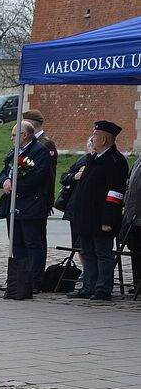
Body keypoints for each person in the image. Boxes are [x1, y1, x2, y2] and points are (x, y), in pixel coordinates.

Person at [66, 120, 129, 301]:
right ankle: (89, 285)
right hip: (86, 216)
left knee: (103, 253)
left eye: (95, 136)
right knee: (87, 252)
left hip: (102, 217)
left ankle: (102, 288)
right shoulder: (94, 158)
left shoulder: (115, 161)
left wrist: (108, 220)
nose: (91, 139)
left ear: (103, 140)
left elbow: (115, 193)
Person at [0, 120, 51, 295]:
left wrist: (15, 186)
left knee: (32, 243)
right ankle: (18, 279)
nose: (11, 138)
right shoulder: (14, 151)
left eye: (14, 135)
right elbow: (3, 171)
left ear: (24, 135)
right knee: (16, 243)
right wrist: (4, 181)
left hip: (30, 204)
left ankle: (33, 280)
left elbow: (38, 176)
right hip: (13, 204)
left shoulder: (39, 151)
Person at [23, 109, 59, 281]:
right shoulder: (25, 143)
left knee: (36, 240)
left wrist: (48, 200)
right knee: (25, 240)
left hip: (39, 198)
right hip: (25, 199)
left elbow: (49, 175)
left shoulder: (46, 144)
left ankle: (36, 277)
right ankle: (24, 275)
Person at [120, 157, 141, 295]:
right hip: (133, 215)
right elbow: (128, 184)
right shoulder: (138, 161)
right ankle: (137, 282)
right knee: (136, 251)